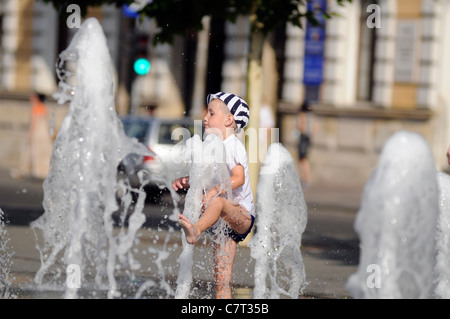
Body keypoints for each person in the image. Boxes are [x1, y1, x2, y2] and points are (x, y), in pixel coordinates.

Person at [173, 92, 254, 299]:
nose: (205, 117)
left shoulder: (233, 145)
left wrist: (216, 190)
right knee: (222, 279)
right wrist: (187, 181)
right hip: (224, 225)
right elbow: (207, 178)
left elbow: (239, 177)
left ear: (228, 120)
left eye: (211, 113)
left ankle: (196, 230)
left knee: (216, 201)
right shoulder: (213, 148)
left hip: (242, 215)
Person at [298, 100, 312, 187]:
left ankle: (306, 178)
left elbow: (301, 127)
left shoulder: (302, 115)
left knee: (302, 158)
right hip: (308, 138)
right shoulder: (311, 116)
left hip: (303, 137)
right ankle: (306, 178)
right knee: (305, 158)